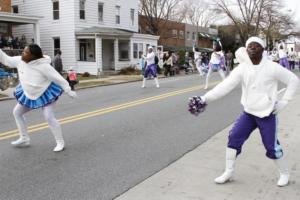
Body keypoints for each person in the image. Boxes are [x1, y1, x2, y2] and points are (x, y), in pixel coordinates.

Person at [197, 37, 299, 186]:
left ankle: (284, 173)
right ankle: (228, 171)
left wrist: (285, 101)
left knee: (271, 146)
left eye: (256, 45)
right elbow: (225, 86)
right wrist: (205, 99)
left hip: (267, 114)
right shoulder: (242, 68)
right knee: (234, 137)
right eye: (249, 46)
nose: (252, 48)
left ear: (263, 50)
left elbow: (293, 80)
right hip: (249, 112)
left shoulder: (272, 67)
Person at [0, 44, 77, 152]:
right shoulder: (20, 60)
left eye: (26, 52)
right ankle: (24, 138)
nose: (23, 53)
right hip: (29, 93)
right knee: (17, 112)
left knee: (48, 117)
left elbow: (58, 78)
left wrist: (69, 90)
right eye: (24, 51)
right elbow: (6, 60)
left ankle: (60, 142)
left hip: (45, 93)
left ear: (33, 56)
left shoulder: (44, 66)